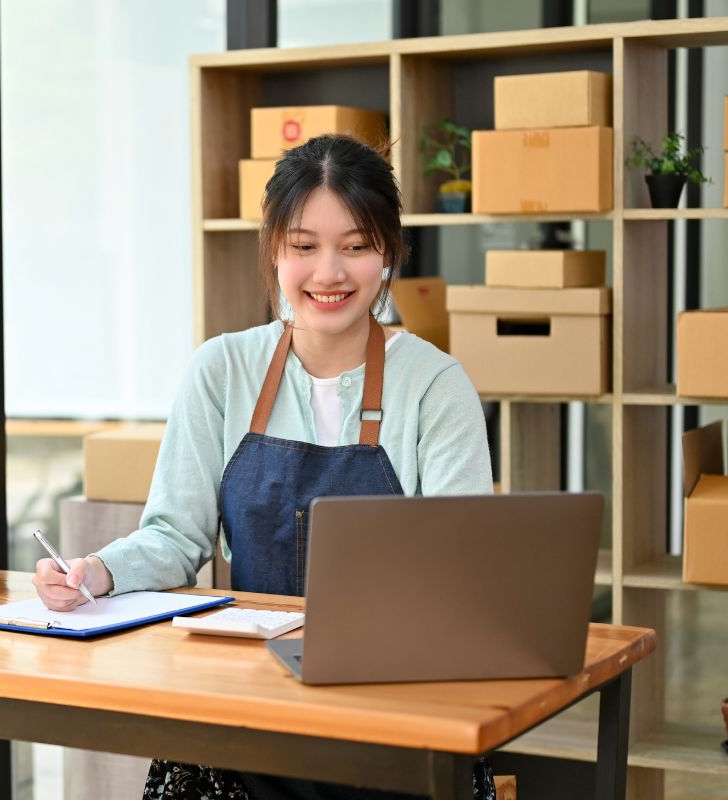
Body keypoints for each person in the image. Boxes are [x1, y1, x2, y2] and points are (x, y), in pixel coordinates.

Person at [33, 134, 493, 799]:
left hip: (396, 717)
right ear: (275, 250)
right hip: (244, 718)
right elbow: (174, 536)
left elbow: (463, 569)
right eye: (304, 247)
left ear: (388, 252)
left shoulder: (434, 385)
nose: (328, 273)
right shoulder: (220, 371)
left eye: (356, 246)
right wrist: (94, 573)